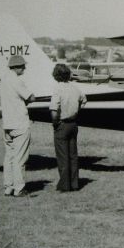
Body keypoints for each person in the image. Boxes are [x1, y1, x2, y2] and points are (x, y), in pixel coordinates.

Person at [0, 55, 35, 197]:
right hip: (19, 123)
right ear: (17, 67)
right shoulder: (16, 80)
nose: (24, 68)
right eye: (23, 66)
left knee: (9, 157)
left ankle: (8, 187)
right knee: (20, 158)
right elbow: (30, 97)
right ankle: (19, 189)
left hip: (7, 124)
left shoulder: (4, 79)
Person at [49, 64, 87, 192]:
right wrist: (76, 111)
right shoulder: (74, 88)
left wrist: (55, 123)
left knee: (62, 156)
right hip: (73, 124)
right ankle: (74, 183)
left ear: (55, 76)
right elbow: (84, 100)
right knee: (73, 155)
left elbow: (54, 111)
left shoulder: (57, 89)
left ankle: (64, 185)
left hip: (62, 124)